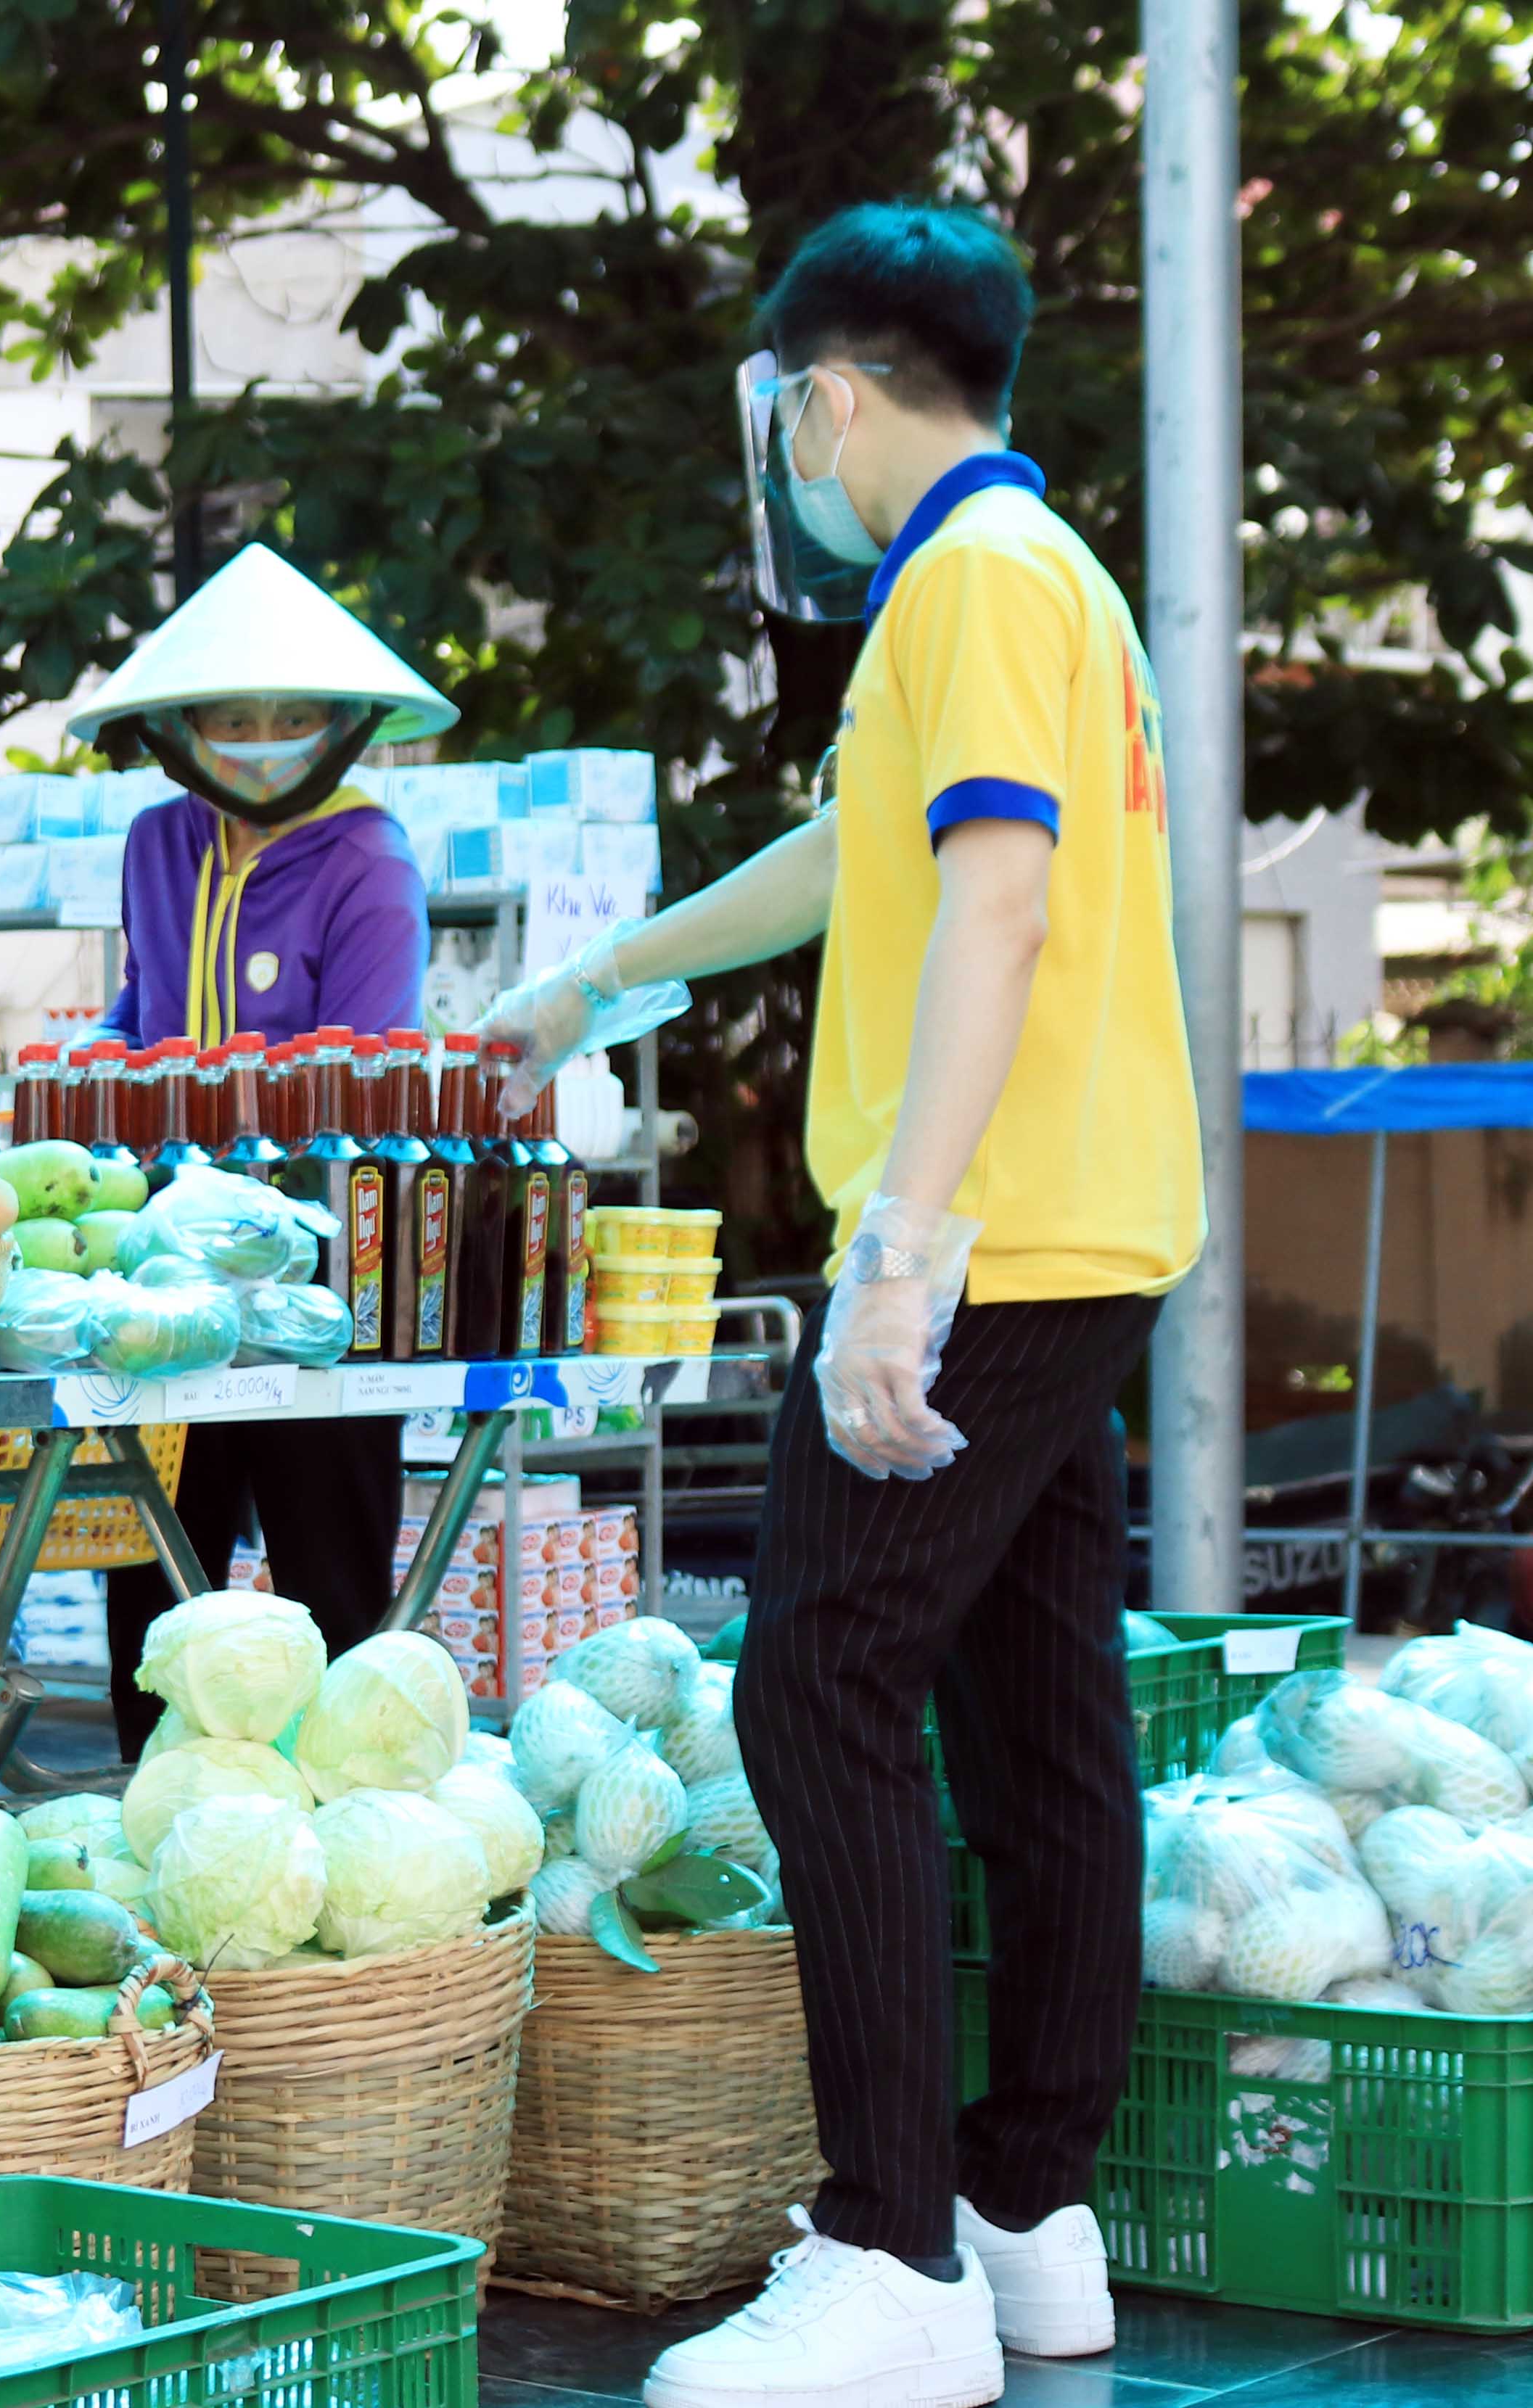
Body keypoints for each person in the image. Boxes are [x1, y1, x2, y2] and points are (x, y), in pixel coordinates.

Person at [485, 203, 1201, 2408]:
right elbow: (855, 866)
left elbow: (990, 907)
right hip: (1082, 1229)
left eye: (782, 411)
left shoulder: (971, 580)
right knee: (1034, 1715)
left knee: (817, 1685)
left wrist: (900, 1250)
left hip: (982, 1240)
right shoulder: (1035, 577)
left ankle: (894, 2261)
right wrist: (612, 969)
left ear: (824, 394)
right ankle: (1023, 2210)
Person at [60, 543, 453, 1750]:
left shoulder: (369, 863)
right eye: (237, 716)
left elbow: (372, 1066)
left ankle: (342, 1802)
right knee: (155, 1567)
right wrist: (100, 1050)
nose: (266, 738)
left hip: (319, 1272)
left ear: (342, 725)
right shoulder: (156, 846)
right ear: (182, 725)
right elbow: (148, 1002)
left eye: (295, 716)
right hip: (168, 1278)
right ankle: (155, 1796)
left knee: (329, 1580)